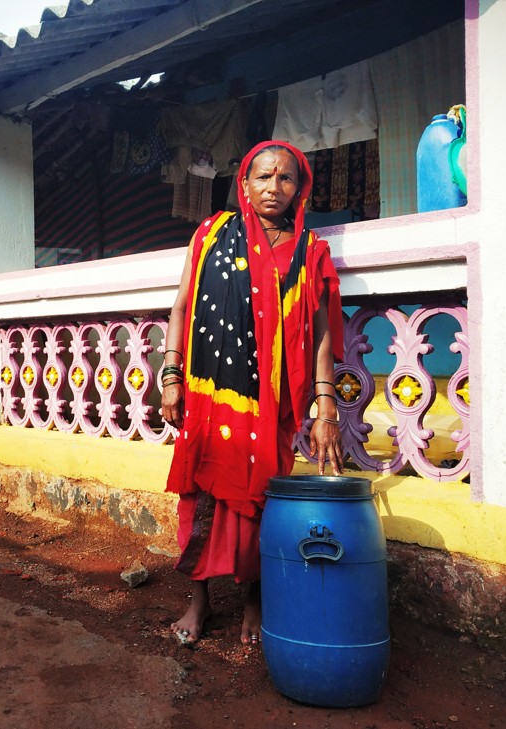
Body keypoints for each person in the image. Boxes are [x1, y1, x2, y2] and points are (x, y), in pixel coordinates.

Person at [160, 140, 344, 647]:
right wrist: (171, 376)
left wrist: (326, 404)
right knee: (199, 497)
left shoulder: (311, 251)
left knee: (263, 499)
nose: (273, 188)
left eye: (285, 178)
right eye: (262, 177)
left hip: (272, 404)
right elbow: (180, 306)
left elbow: (323, 332)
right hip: (209, 396)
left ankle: (254, 600)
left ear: (299, 188)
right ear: (244, 184)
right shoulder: (212, 233)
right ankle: (197, 600)